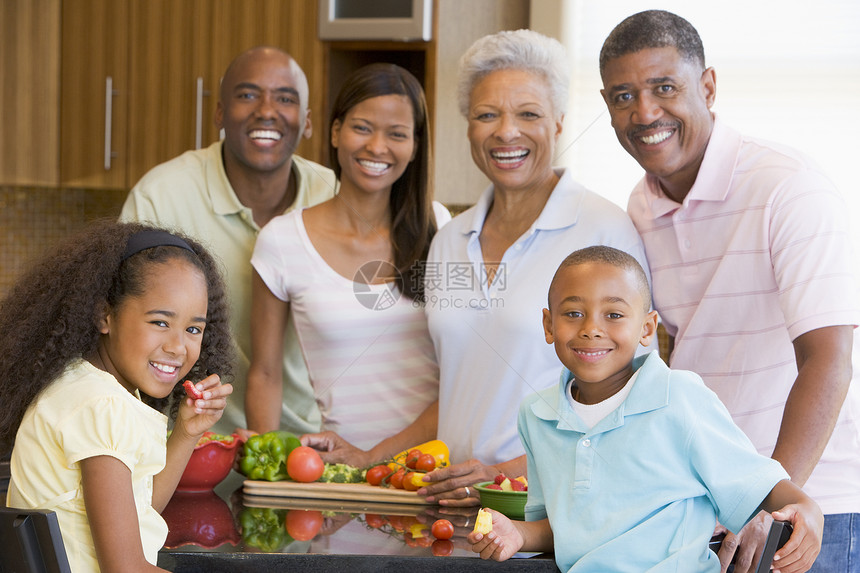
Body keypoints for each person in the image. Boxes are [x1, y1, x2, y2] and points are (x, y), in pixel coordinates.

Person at [599, 10, 860, 572]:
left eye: (664, 88)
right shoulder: (639, 206)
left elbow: (830, 357)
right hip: (710, 512)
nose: (645, 113)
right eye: (623, 96)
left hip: (810, 513)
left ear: (708, 87)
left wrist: (771, 501)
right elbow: (670, 354)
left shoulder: (787, 186)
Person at [469, 246, 823, 573]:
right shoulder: (536, 415)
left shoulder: (680, 397)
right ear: (549, 325)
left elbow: (766, 489)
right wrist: (518, 533)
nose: (592, 329)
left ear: (647, 328)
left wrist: (808, 508)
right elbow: (564, 527)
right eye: (573, 313)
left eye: (614, 314)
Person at [415, 29, 654, 506]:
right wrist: (367, 457)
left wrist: (497, 477)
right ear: (467, 126)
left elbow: (630, 398)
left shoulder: (604, 229)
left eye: (529, 114)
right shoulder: (448, 238)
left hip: (559, 506)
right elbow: (460, 387)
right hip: (455, 507)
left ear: (560, 123)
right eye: (487, 115)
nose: (506, 132)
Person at [120, 46, 336, 437]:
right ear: (219, 113)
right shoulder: (162, 197)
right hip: (187, 447)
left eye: (284, 98)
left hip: (312, 446)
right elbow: (120, 332)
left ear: (306, 122)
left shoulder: (335, 196)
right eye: (248, 95)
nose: (266, 110)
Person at [1, 221, 234, 572]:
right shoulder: (102, 405)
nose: (177, 346)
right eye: (159, 322)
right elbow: (125, 569)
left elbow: (139, 507)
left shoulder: (82, 386)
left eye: (193, 329)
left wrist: (186, 432)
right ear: (104, 315)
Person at [247, 63, 450, 455]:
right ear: (336, 131)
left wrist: (379, 455)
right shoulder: (282, 241)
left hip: (433, 471)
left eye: (397, 134)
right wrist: (263, 470)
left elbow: (463, 370)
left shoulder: (440, 228)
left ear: (415, 145)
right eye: (362, 127)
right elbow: (266, 373)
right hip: (338, 472)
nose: (377, 146)